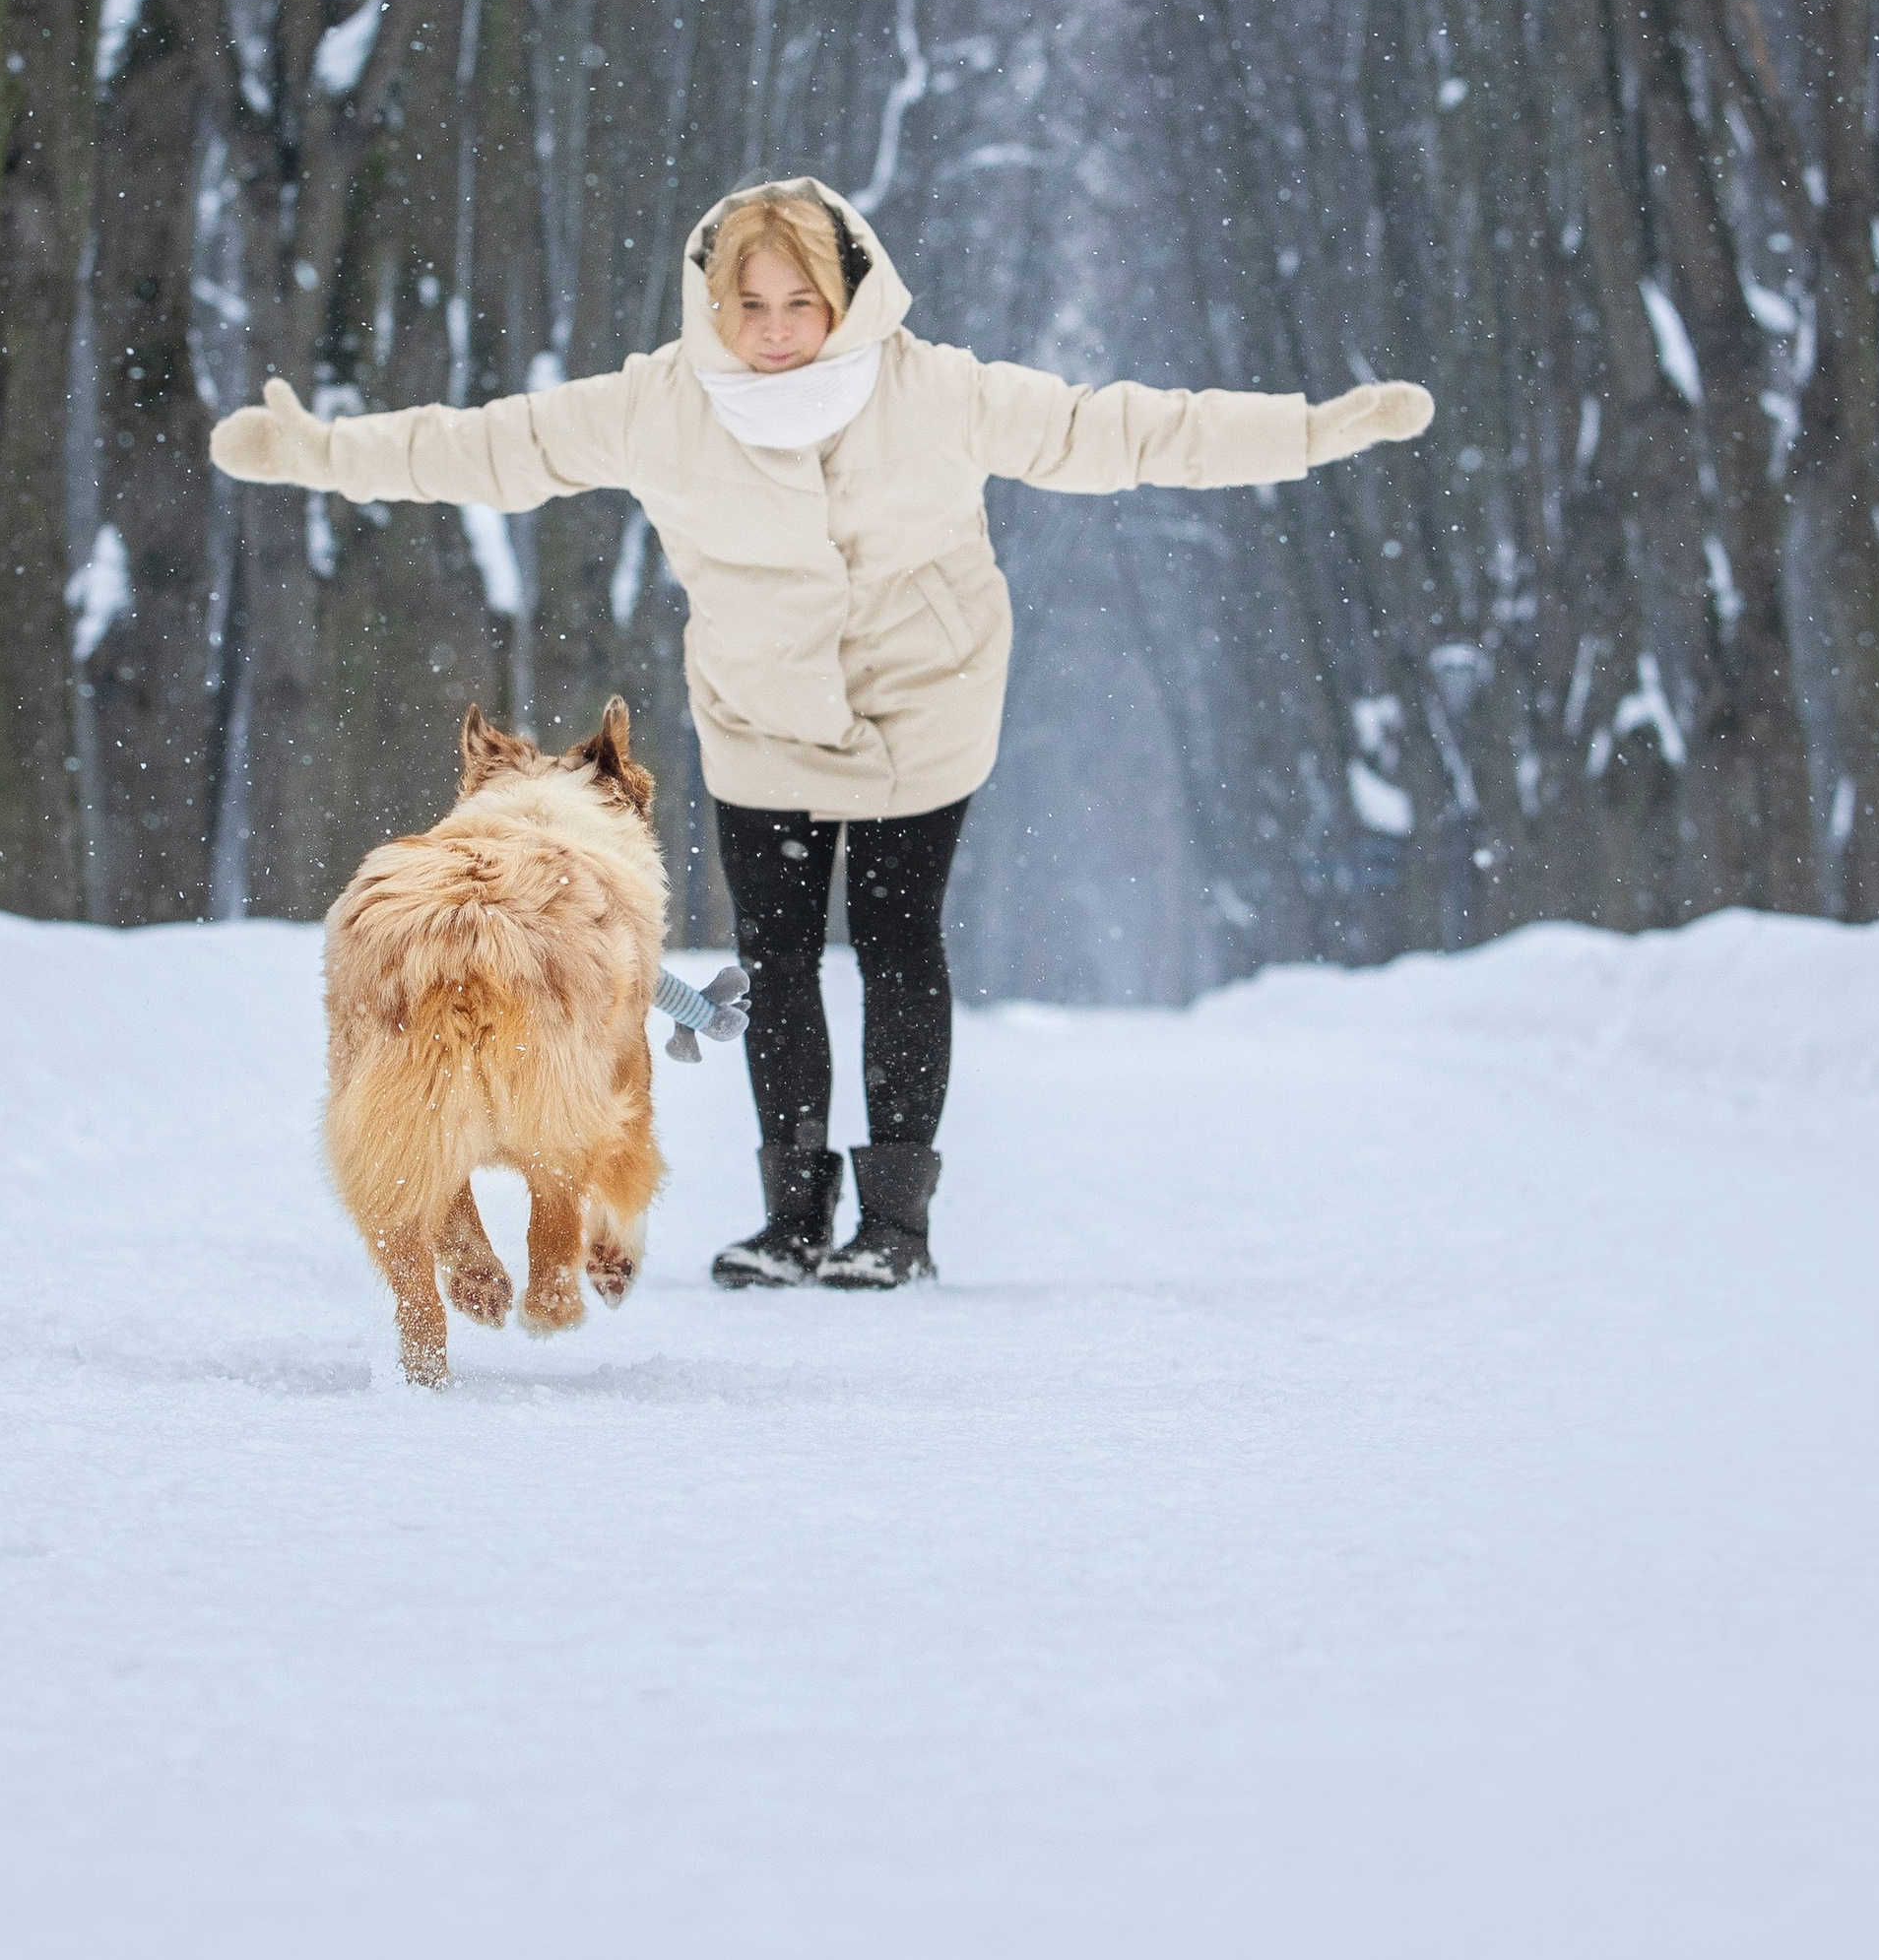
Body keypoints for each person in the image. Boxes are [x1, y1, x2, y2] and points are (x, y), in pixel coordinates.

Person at [210, 177, 1432, 1292]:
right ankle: (790, 1217)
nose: (778, 325)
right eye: (752, 302)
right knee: (777, 956)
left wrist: (1317, 428)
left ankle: (894, 1224)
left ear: (849, 297)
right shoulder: (659, 405)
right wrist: (317, 452)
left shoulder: (936, 390)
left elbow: (1129, 431)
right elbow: (491, 446)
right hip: (759, 712)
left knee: (898, 941)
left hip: (925, 705)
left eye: (803, 299)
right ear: (715, 304)